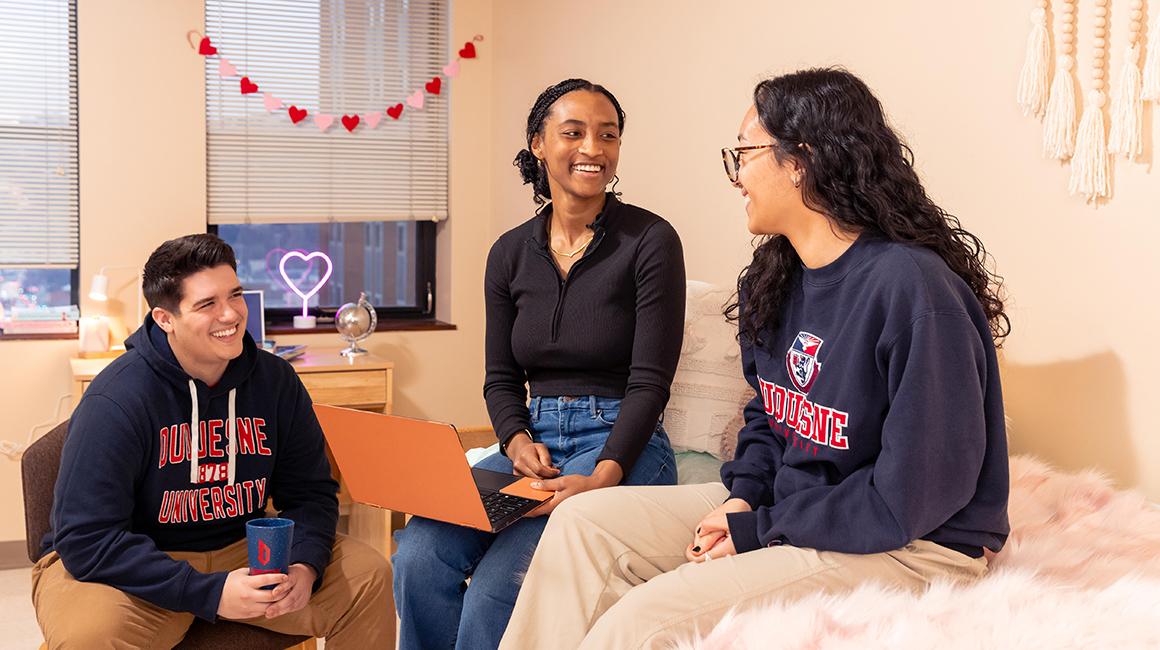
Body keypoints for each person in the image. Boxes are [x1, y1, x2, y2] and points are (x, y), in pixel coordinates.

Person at [500, 67, 1012, 649]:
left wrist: (757, 529)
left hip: (913, 546)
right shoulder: (776, 278)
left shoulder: (913, 290)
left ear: (802, 160)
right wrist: (744, 497)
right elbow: (771, 420)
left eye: (743, 153)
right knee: (582, 525)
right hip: (801, 509)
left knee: (640, 622)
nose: (736, 175)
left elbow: (911, 498)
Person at [391, 78, 686, 649]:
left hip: (622, 441)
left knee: (499, 586)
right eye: (573, 133)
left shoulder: (650, 240)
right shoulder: (508, 253)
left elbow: (651, 382)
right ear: (538, 145)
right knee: (420, 555)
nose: (593, 150)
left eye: (608, 135)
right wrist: (515, 439)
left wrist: (604, 476)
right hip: (535, 446)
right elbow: (500, 378)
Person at [31, 234, 392, 649]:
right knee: (89, 638)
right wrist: (212, 593)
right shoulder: (116, 399)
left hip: (241, 549)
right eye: (207, 304)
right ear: (165, 319)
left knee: (370, 577)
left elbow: (311, 492)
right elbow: (86, 539)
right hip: (135, 564)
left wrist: (305, 564)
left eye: (234, 295)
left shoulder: (275, 382)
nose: (231, 315)